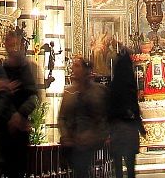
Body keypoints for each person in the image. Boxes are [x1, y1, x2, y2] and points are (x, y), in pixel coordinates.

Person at [0, 29, 40, 178]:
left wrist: (20, 115)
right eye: (10, 44)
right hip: (1, 130)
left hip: (19, 131)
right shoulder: (0, 70)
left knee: (17, 170)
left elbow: (34, 97)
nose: (13, 48)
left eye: (15, 44)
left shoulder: (27, 69)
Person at [58, 56, 107, 178]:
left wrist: (94, 134)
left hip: (92, 142)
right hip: (73, 142)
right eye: (73, 66)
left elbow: (105, 116)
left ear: (86, 70)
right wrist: (66, 135)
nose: (73, 69)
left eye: (77, 66)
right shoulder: (69, 92)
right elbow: (62, 117)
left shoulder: (99, 91)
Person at [107, 48, 145, 178]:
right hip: (129, 128)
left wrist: (108, 129)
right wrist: (140, 127)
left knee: (117, 167)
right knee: (130, 167)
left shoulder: (113, 85)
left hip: (116, 129)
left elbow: (109, 109)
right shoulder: (130, 84)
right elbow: (134, 107)